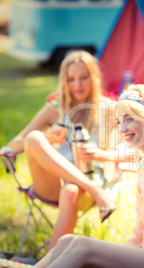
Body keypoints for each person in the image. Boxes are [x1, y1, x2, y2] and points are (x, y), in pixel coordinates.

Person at [33, 84, 144, 268]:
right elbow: (139, 234)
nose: (122, 129)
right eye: (119, 122)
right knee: (66, 242)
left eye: (129, 119)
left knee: (82, 246)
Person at [6, 50, 119, 250]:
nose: (77, 85)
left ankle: (51, 261)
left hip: (88, 183)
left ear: (94, 77)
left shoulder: (108, 109)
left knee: (71, 191)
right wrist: (47, 138)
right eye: (71, 79)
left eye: (83, 77)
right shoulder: (55, 108)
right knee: (34, 138)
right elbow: (12, 145)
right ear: (64, 81)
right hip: (53, 182)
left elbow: (133, 147)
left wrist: (102, 155)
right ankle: (97, 192)